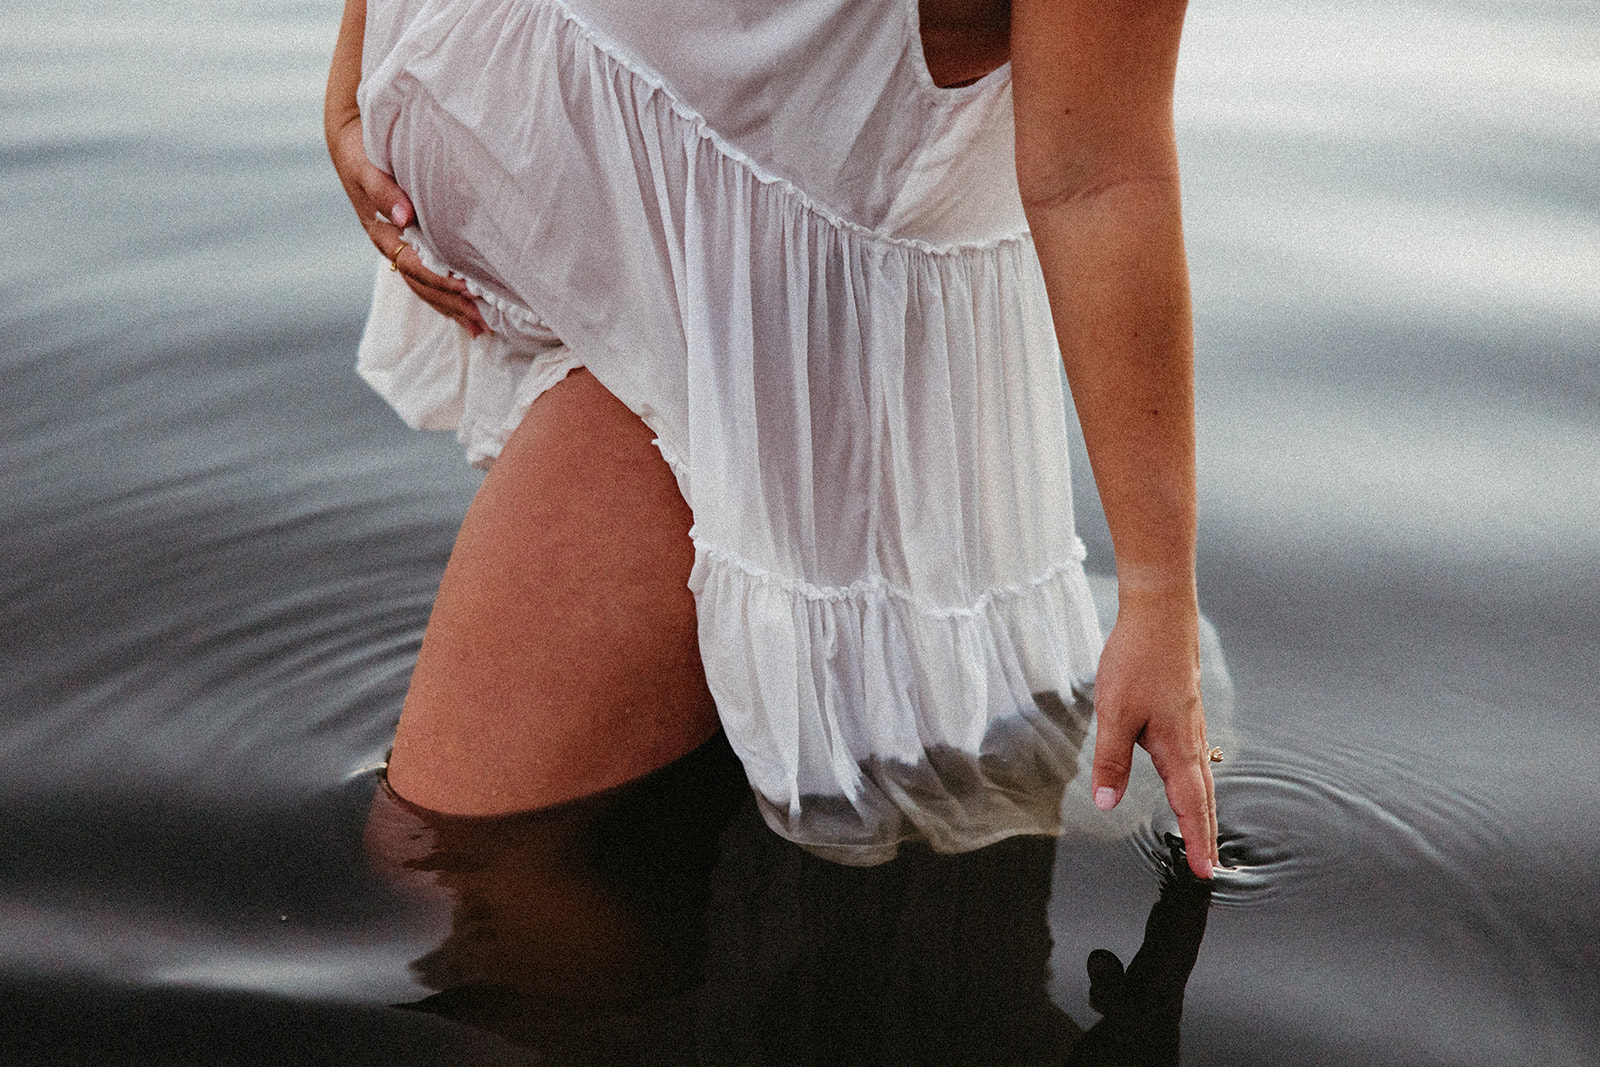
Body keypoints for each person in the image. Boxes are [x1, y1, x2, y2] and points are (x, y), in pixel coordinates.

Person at [325, 0, 1220, 878]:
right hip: (616, 259)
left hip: (726, 349)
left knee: (454, 874)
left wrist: (1157, 594)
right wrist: (353, 78)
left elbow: (1099, 176)